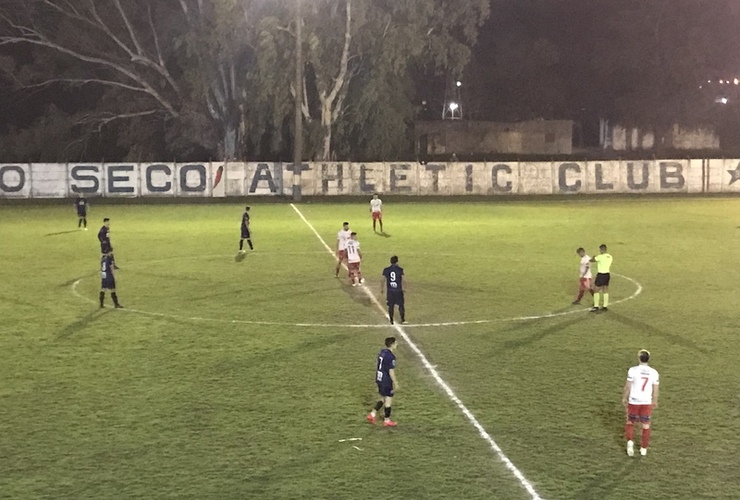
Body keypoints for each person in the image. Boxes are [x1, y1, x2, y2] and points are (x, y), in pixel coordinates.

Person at [622, 349, 659, 457]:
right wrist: (655, 400)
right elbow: (655, 389)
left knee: (630, 422)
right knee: (646, 425)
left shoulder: (633, 370)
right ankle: (644, 448)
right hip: (646, 402)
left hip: (634, 400)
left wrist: (624, 397)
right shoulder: (654, 372)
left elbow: (628, 386)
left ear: (639, 358)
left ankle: (630, 442)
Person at [367, 337, 399, 427]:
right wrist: (395, 383)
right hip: (386, 380)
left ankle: (372, 414)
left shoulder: (382, 352)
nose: (397, 345)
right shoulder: (391, 357)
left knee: (382, 397)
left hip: (379, 378)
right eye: (396, 343)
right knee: (388, 400)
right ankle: (387, 420)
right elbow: (391, 371)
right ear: (392, 344)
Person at [381, 255, 406, 325]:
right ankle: (402, 319)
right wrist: (404, 288)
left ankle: (391, 320)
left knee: (391, 306)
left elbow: (382, 280)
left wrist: (382, 289)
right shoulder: (400, 269)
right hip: (398, 290)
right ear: (397, 261)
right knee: (401, 305)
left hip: (390, 291)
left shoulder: (386, 270)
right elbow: (403, 280)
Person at [590, 244, 613, 312]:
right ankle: (605, 306)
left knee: (596, 290)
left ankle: (596, 306)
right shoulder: (610, 256)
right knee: (605, 290)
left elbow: (592, 260)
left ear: (601, 249)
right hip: (607, 275)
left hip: (601, 275)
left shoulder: (600, 256)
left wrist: (593, 257)